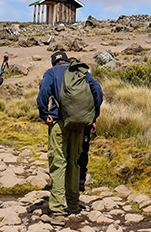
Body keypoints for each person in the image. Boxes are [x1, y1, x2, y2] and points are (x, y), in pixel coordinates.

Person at [36, 51, 103, 225]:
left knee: (58, 163)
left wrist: (44, 114)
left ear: (54, 62)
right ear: (66, 60)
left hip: (58, 123)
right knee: (74, 162)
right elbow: (98, 90)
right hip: (79, 124)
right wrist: (93, 117)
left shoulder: (52, 73)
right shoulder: (80, 71)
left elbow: (43, 92)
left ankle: (58, 211)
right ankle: (73, 204)